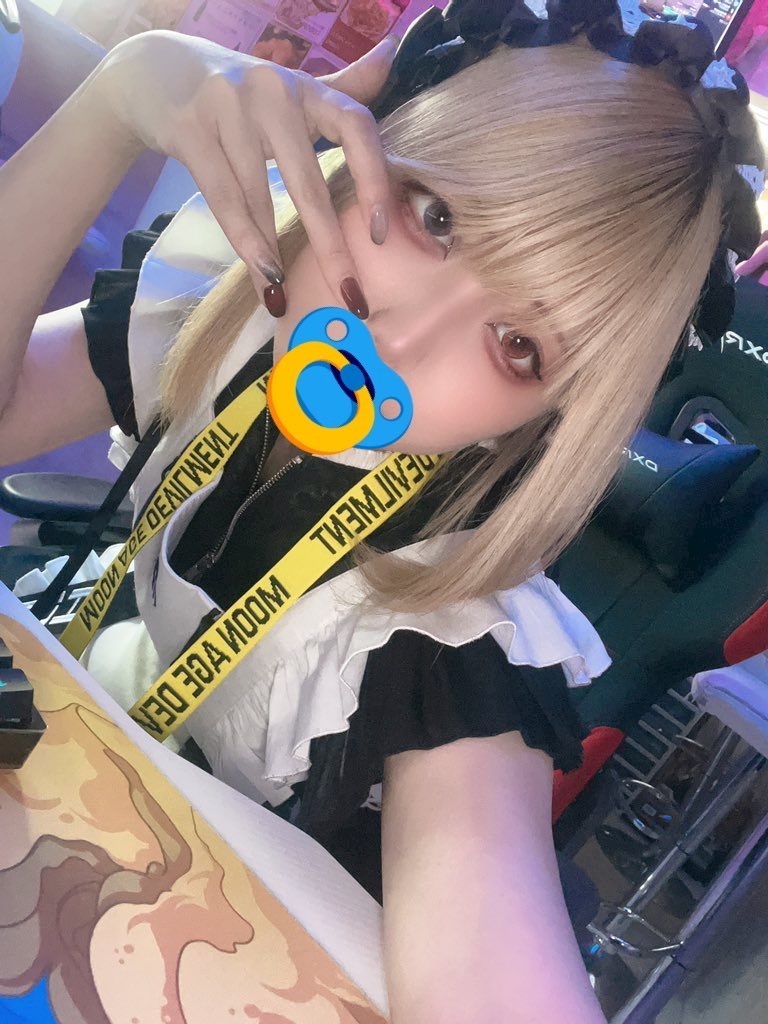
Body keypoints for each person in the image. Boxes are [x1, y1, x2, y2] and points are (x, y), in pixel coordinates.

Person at [0, 1, 763, 1020]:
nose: (399, 338)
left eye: (520, 346)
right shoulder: (226, 312)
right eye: (436, 216)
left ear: (553, 414)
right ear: (368, 138)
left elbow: (487, 965)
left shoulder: (451, 648)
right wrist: (113, 102)